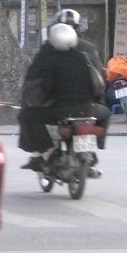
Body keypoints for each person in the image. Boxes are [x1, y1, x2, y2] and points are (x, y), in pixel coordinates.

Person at [18, 22, 112, 172]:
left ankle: (49, 151)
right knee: (105, 113)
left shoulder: (47, 59)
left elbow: (41, 88)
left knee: (27, 115)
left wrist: (35, 100)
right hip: (87, 110)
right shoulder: (83, 58)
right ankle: (96, 144)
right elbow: (96, 84)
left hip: (59, 112)